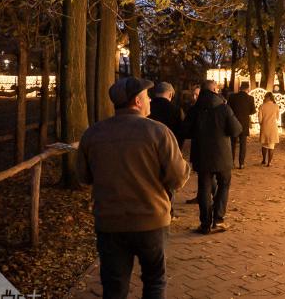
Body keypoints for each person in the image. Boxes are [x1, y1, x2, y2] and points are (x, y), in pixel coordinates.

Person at [76, 77, 190, 299]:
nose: (150, 101)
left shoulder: (93, 134)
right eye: (147, 97)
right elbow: (177, 178)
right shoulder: (158, 132)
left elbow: (83, 176)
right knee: (154, 281)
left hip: (110, 223)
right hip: (151, 221)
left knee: (114, 288)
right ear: (137, 101)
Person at [182, 80, 242, 234]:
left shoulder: (194, 110)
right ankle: (219, 220)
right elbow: (236, 130)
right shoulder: (224, 108)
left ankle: (205, 224)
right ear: (215, 90)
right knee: (224, 185)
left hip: (202, 155)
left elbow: (185, 131)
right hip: (222, 155)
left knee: (204, 188)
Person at [149, 82, 184, 219]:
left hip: (149, 150)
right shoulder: (175, 110)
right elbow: (180, 132)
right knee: (169, 181)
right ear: (170, 94)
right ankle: (168, 210)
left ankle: (153, 208)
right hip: (169, 150)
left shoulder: (148, 107)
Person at [227, 82, 256, 169]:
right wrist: (245, 113)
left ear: (240, 87)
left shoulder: (232, 97)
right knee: (243, 144)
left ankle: (231, 162)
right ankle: (241, 163)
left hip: (234, 122)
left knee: (232, 144)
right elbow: (253, 111)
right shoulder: (250, 98)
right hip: (244, 123)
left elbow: (228, 108)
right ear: (248, 88)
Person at [258, 92, 280, 167]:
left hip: (265, 126)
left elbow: (260, 119)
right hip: (273, 127)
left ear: (267, 98)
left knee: (264, 145)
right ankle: (269, 162)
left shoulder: (262, 106)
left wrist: (261, 124)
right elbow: (277, 117)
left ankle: (264, 160)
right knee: (271, 146)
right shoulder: (276, 106)